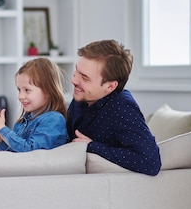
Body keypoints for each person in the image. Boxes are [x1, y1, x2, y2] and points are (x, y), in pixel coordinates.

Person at [66, 39, 161, 175]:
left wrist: (92, 147)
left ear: (110, 86)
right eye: (76, 71)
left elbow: (150, 162)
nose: (73, 80)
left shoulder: (122, 108)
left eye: (85, 78)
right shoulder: (82, 97)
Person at [0, 57, 68, 152]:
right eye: (19, 90)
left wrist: (2, 128)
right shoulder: (21, 123)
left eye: (27, 90)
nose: (20, 96)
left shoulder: (54, 120)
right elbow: (7, 156)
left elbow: (30, 151)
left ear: (48, 91)